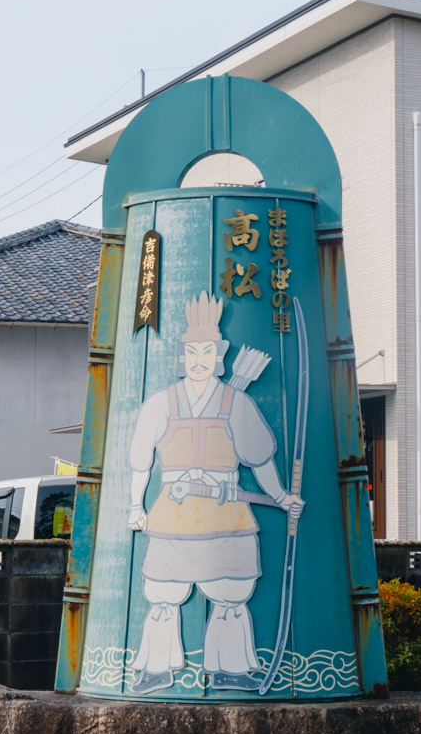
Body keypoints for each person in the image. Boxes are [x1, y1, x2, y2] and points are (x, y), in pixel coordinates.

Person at [126, 291, 303, 693]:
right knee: (164, 594)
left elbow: (260, 460)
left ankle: (231, 668)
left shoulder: (236, 401)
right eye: (193, 352)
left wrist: (280, 497)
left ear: (219, 354)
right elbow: (141, 460)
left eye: (207, 352)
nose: (199, 360)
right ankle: (156, 668)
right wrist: (136, 505)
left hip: (226, 512)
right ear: (182, 356)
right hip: (174, 511)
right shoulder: (160, 403)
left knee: (230, 594)